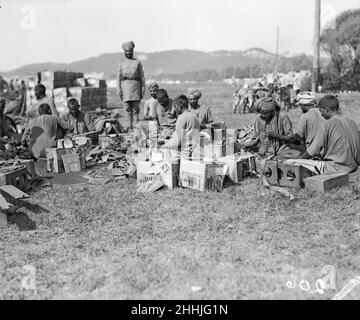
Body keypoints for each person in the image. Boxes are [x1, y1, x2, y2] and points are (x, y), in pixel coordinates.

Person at [286, 95, 360, 174]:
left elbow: (313, 151)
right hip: (354, 166)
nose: (320, 114)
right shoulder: (350, 121)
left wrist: (300, 159)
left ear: (327, 110)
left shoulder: (327, 124)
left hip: (335, 168)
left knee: (290, 162)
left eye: (321, 111)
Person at [118, 41, 145, 131]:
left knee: (136, 109)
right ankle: (129, 127)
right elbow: (118, 77)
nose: (129, 52)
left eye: (130, 51)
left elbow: (142, 77)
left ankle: (136, 127)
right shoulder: (121, 63)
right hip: (125, 87)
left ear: (133, 51)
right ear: (124, 52)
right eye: (127, 51)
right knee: (127, 108)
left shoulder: (137, 62)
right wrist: (119, 89)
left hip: (135, 87)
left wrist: (143, 88)